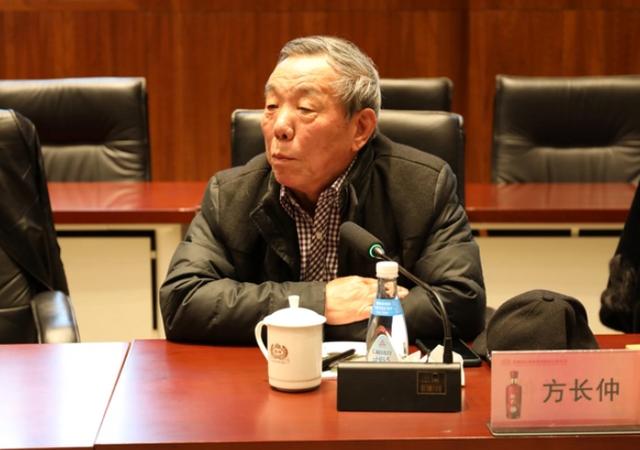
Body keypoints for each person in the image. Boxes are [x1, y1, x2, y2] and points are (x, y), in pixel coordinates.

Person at [160, 36, 486, 344]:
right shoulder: (230, 194)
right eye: (271, 106)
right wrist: (321, 304)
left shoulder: (424, 187)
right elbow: (182, 300)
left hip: (378, 376)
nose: (280, 126)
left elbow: (460, 302)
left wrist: (312, 326)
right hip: (269, 373)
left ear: (360, 128)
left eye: (305, 108)